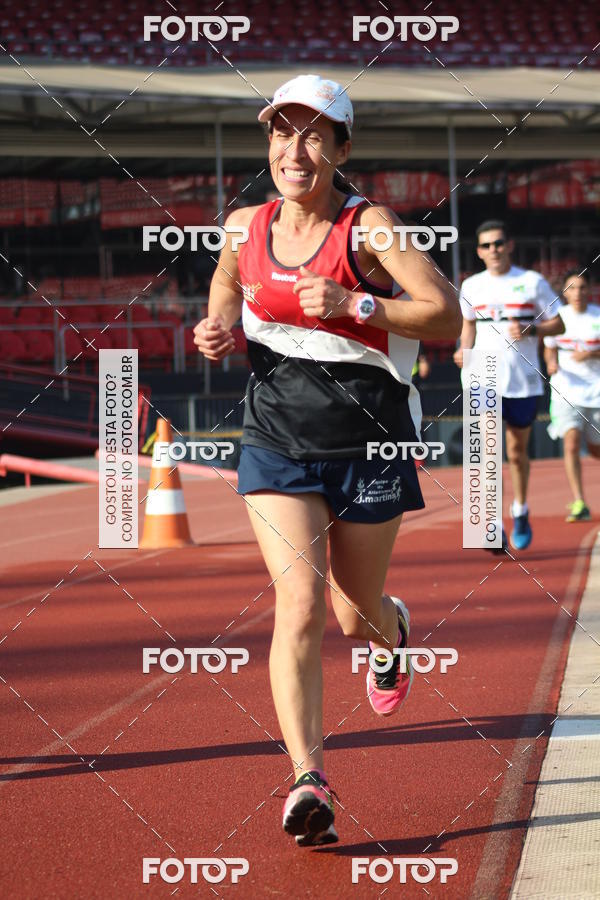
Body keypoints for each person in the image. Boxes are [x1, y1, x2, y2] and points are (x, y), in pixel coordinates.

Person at [193, 74, 460, 846]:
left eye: (313, 134)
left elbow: (444, 311)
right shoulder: (245, 223)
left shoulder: (369, 225)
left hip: (368, 442)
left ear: (343, 148)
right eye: (282, 132)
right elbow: (225, 275)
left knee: (354, 613)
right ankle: (309, 778)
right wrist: (217, 323)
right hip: (275, 438)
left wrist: (357, 306)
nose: (294, 149)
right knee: (301, 606)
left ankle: (392, 632)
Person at [454, 221, 564, 551]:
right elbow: (467, 328)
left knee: (516, 454)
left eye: (499, 243)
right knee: (487, 453)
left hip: (523, 379)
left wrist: (531, 330)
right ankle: (491, 523)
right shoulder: (472, 285)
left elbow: (558, 323)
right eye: (486, 246)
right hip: (483, 376)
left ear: (510, 245)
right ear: (479, 251)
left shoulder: (532, 282)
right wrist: (463, 352)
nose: (494, 250)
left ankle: (521, 510)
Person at [544, 270, 600, 521]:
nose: (577, 293)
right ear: (564, 293)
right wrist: (551, 364)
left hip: (596, 392)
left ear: (589, 290)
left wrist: (590, 355)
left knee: (595, 448)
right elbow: (549, 350)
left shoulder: (597, 315)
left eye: (582, 288)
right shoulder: (557, 318)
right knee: (571, 443)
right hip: (565, 391)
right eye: (572, 288)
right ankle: (580, 502)